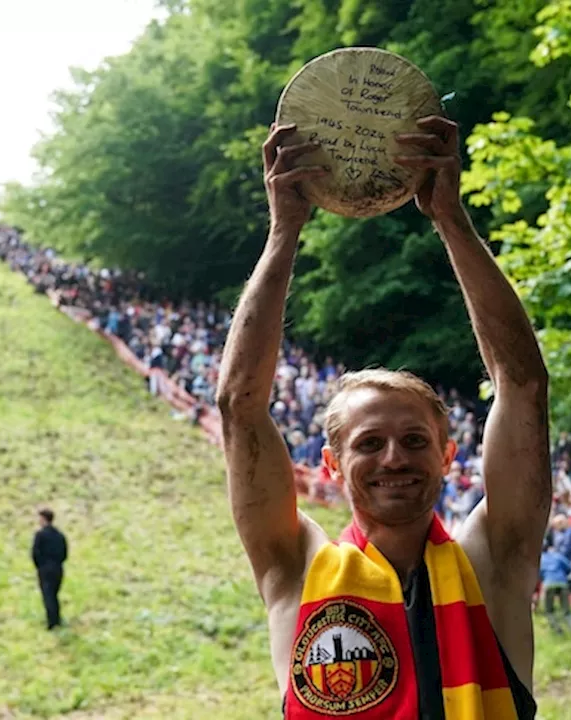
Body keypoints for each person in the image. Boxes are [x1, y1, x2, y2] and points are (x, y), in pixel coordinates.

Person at [217, 118, 550, 718]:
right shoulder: (299, 570)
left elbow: (522, 385)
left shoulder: (493, 561)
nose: (394, 457)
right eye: (369, 442)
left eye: (415, 439)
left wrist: (451, 218)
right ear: (332, 464)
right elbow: (241, 405)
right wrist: (283, 231)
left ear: (448, 457)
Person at [31, 508, 68, 630]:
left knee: (48, 595)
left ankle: (52, 622)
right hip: (58, 568)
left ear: (43, 519)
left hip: (45, 569)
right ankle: (57, 619)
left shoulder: (40, 535)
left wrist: (40, 566)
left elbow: (35, 553)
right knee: (55, 594)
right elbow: (64, 553)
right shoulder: (60, 535)